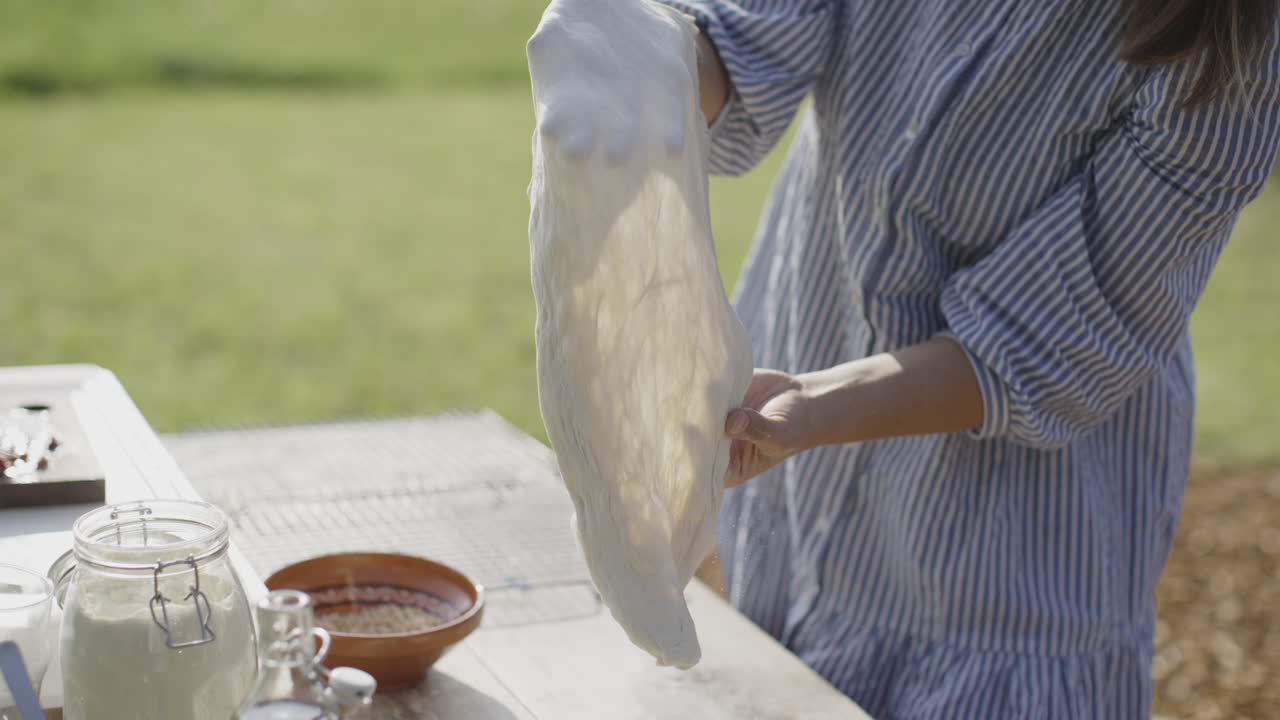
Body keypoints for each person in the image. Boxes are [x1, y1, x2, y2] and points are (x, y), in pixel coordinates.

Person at [640, 0, 1277, 717]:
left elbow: (1035, 344)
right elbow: (745, 45)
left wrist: (813, 408)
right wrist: (636, 52)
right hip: (797, 500)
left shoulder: (1227, 56)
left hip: (1004, 589)